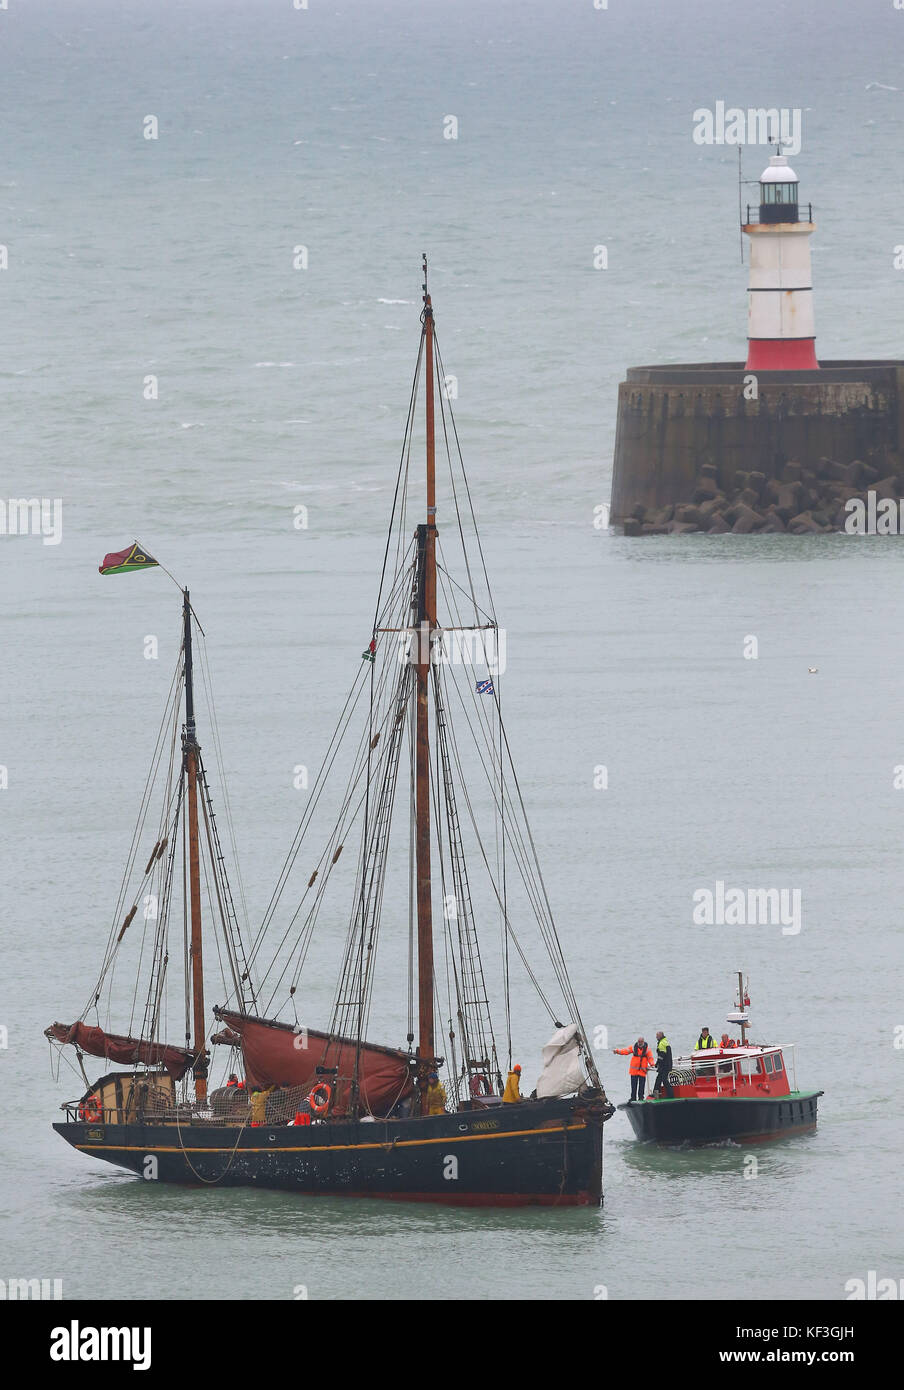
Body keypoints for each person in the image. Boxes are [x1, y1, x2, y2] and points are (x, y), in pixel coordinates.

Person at [613, 1037, 656, 1101]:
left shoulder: (647, 1050)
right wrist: (617, 1051)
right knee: (633, 1086)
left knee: (641, 1086)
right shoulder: (633, 1048)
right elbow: (625, 1051)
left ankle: (641, 1098)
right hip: (634, 1071)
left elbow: (650, 1058)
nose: (640, 1043)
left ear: (643, 1042)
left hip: (642, 1071)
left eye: (641, 1042)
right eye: (639, 1042)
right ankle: (633, 1098)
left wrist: (652, 1064)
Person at [651, 1031, 674, 1098]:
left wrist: (657, 1063)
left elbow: (662, 1055)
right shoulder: (665, 1042)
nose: (656, 1037)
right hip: (666, 1064)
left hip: (664, 1065)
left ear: (660, 1036)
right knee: (658, 1079)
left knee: (664, 1080)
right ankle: (656, 1094)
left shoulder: (661, 1043)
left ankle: (670, 1095)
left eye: (657, 1036)